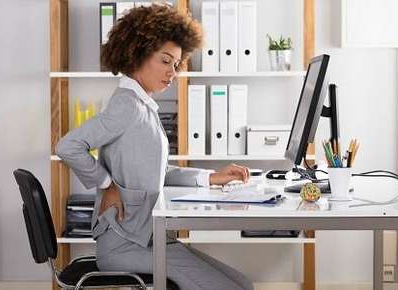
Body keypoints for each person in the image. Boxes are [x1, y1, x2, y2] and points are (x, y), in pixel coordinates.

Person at [55, 4, 253, 290]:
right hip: (127, 245)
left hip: (147, 238)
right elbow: (68, 145)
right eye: (165, 61)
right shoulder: (127, 105)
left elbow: (154, 170)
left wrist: (210, 177)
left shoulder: (142, 103)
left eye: (176, 63)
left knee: (242, 283)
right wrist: (107, 184)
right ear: (138, 53)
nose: (172, 72)